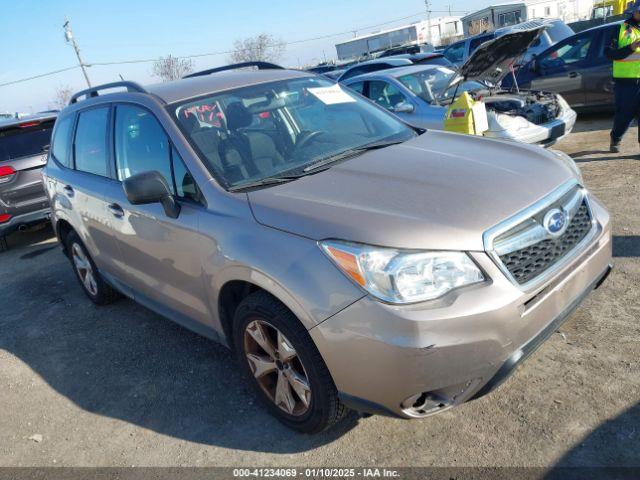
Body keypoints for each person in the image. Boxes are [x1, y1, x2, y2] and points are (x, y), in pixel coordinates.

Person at [606, 1, 640, 153]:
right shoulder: (620, 29)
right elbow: (610, 53)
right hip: (626, 82)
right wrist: (631, 47)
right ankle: (616, 137)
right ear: (634, 11)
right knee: (624, 116)